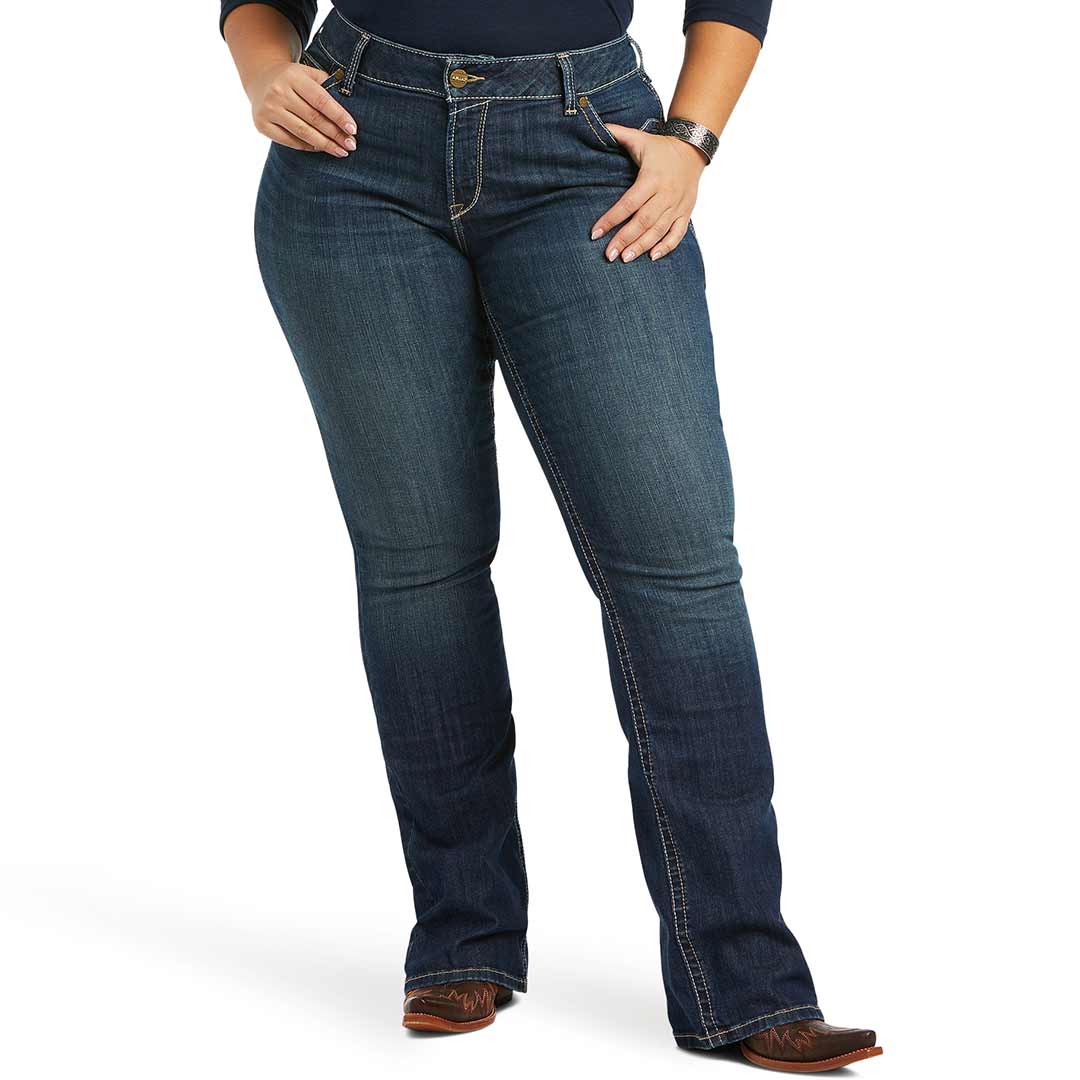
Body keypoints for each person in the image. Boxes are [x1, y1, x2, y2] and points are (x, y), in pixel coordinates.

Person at [220, 2, 881, 1070]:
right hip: (351, 150)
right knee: (419, 567)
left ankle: (746, 985)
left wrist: (691, 140)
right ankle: (462, 938)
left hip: (589, 150)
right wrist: (264, 71)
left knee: (679, 572)